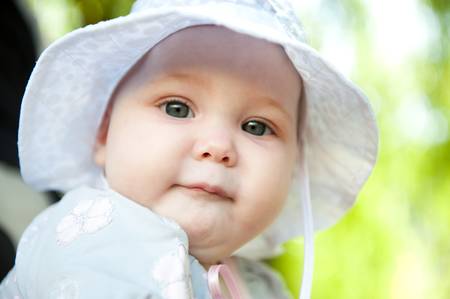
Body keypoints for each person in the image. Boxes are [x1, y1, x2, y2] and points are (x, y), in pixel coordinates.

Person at [0, 0, 378, 298]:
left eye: (256, 127)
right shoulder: (91, 236)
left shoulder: (259, 288)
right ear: (103, 134)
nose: (217, 147)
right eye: (177, 108)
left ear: (295, 166)